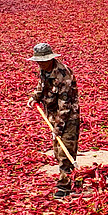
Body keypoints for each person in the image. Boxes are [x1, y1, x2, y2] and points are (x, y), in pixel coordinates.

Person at [26, 43, 80, 199]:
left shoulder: (64, 75)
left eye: (43, 61)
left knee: (66, 151)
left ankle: (65, 186)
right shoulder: (45, 70)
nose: (40, 64)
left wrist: (57, 128)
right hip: (53, 114)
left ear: (50, 58)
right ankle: (74, 179)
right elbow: (42, 86)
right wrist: (35, 97)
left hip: (68, 118)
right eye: (38, 61)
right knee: (57, 151)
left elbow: (65, 106)